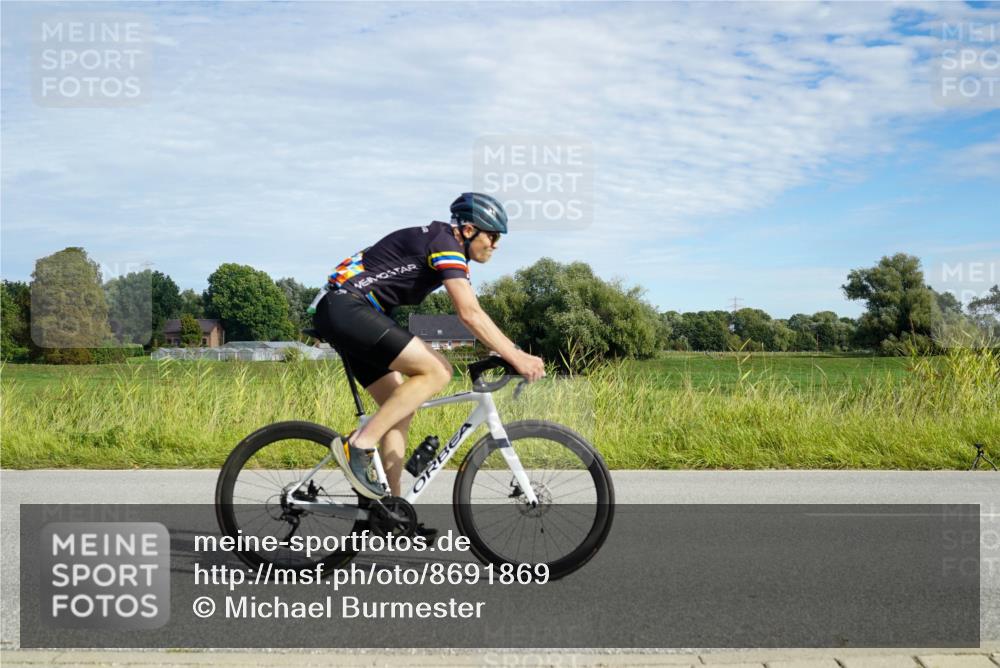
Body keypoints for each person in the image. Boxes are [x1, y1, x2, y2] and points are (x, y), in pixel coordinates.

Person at [310, 193, 546, 513]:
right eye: (492, 235)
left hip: (349, 311)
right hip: (346, 306)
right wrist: (518, 358)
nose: (496, 244)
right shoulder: (445, 243)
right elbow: (470, 314)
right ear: (467, 230)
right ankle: (359, 446)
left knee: (399, 408)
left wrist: (507, 350)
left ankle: (388, 507)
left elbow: (475, 318)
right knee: (438, 371)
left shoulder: (446, 248)